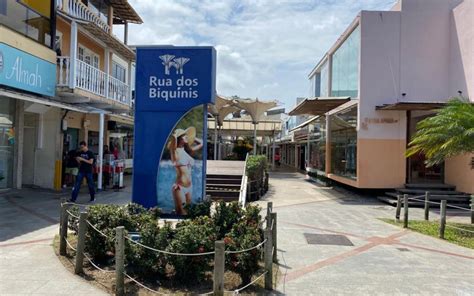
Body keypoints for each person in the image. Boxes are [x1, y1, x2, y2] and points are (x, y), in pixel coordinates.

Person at [168, 127, 202, 215]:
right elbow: (173, 145)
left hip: (189, 187)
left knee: (187, 212)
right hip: (179, 187)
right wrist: (175, 136)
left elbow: (201, 143)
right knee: (181, 213)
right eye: (184, 136)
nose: (186, 137)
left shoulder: (187, 151)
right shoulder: (174, 151)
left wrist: (192, 137)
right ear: (178, 139)